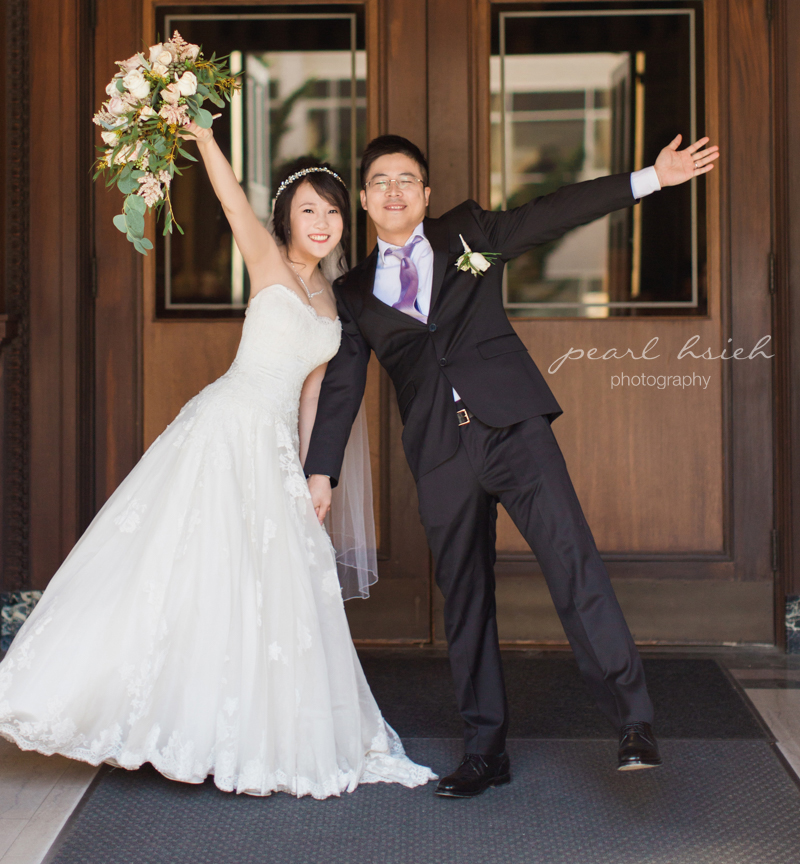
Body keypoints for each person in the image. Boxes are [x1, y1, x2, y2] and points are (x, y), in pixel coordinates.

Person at [0, 129, 435, 799]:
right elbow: (231, 201)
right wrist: (202, 133)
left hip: (275, 448)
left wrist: (315, 476)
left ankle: (237, 727)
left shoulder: (333, 299)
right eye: (308, 210)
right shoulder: (267, 261)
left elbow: (314, 396)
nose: (322, 223)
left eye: (332, 210)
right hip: (224, 429)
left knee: (264, 583)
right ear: (286, 218)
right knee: (187, 570)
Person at [304, 131, 720, 798]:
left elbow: (552, 213)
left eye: (406, 179)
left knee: (572, 562)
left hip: (515, 431)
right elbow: (343, 387)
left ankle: (633, 721)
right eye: (380, 181)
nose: (393, 191)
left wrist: (651, 179)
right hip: (441, 455)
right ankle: (485, 751)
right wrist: (321, 470)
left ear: (426, 194)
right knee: (466, 600)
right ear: (365, 199)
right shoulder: (351, 293)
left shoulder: (469, 234)